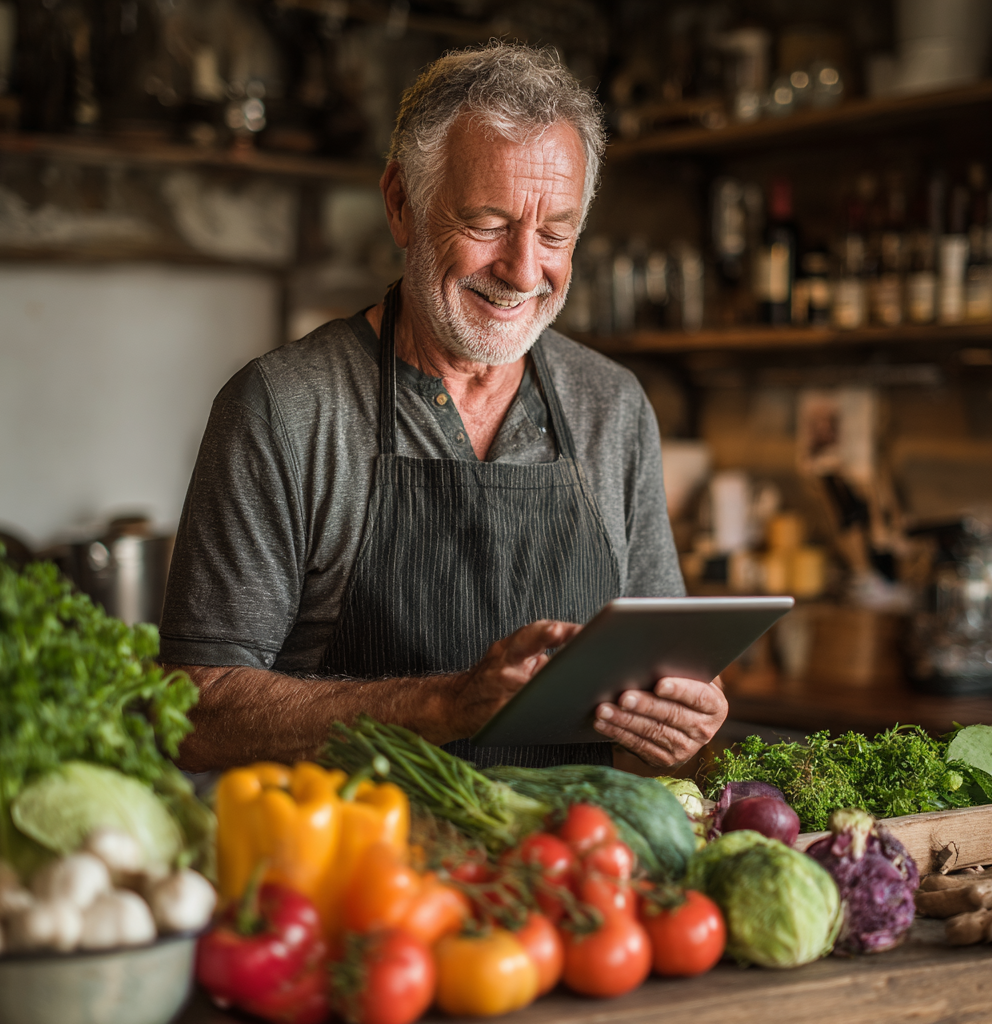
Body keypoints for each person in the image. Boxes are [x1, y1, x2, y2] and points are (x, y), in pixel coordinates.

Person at [159, 43, 727, 773]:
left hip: (570, 844)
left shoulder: (611, 405)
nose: (523, 271)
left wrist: (683, 708)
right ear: (402, 203)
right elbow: (194, 711)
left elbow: (662, 667)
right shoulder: (283, 409)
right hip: (357, 842)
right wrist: (444, 705)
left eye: (554, 233)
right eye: (488, 224)